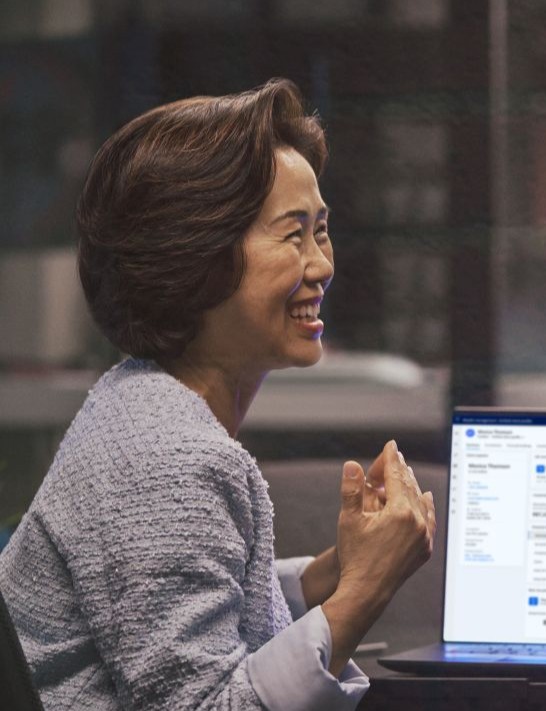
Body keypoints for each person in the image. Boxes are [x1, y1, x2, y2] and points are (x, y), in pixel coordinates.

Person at [0, 79, 437, 710]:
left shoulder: (139, 403)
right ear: (198, 259)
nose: (322, 265)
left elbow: (187, 621)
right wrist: (364, 590)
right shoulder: (167, 461)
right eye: (293, 235)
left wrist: (329, 576)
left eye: (321, 230)